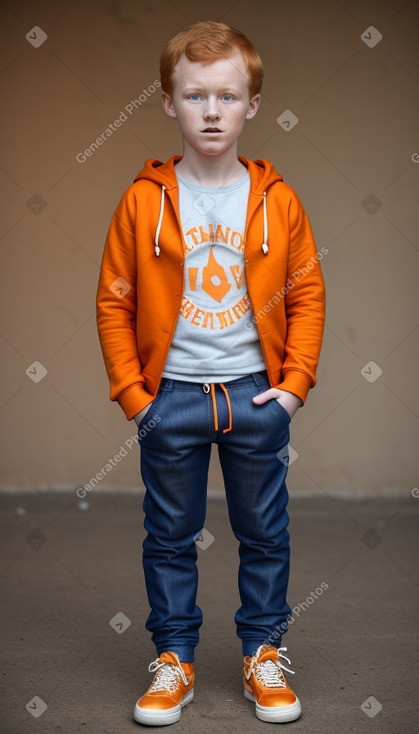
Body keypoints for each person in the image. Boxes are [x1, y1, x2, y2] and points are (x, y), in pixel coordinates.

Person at [96, 20, 326, 726]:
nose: (211, 111)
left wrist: (291, 388)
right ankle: (174, 660)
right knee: (168, 536)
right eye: (194, 96)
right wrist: (136, 398)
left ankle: (262, 652)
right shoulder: (142, 201)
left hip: (257, 397)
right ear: (168, 102)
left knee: (264, 532)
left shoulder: (277, 200)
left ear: (251, 104)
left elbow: (308, 293)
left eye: (226, 96)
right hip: (171, 399)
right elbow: (113, 299)